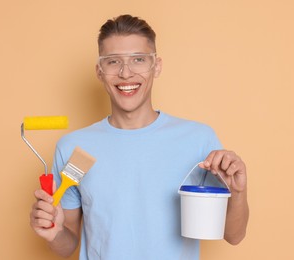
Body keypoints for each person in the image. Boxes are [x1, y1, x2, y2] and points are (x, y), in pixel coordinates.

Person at [30, 14, 249, 259]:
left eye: (138, 60)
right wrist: (55, 231)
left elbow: (234, 235)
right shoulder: (73, 148)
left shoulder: (198, 140)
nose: (126, 73)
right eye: (113, 62)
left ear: (156, 66)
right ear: (99, 71)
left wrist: (238, 193)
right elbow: (67, 244)